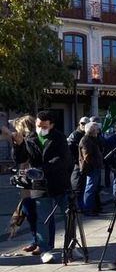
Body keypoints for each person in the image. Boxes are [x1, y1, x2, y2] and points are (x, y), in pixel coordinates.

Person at [11, 110, 73, 263]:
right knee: (42, 218)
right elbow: (21, 158)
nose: (40, 128)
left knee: (69, 215)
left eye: (44, 126)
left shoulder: (59, 138)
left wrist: (42, 170)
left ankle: (71, 246)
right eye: (38, 125)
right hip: (39, 184)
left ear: (51, 125)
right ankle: (45, 250)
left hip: (59, 182)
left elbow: (62, 159)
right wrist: (18, 145)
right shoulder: (31, 137)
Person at [3, 115, 38, 253]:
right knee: (29, 211)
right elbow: (18, 158)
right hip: (26, 181)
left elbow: (30, 157)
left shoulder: (33, 139)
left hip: (34, 181)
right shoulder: (24, 140)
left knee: (34, 212)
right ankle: (36, 240)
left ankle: (41, 242)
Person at [78, 122, 103, 216]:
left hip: (95, 166)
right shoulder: (86, 140)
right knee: (90, 188)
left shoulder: (92, 139)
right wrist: (94, 163)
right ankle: (87, 209)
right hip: (91, 168)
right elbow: (86, 156)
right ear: (92, 130)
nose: (98, 131)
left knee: (93, 188)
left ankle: (92, 208)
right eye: (96, 130)